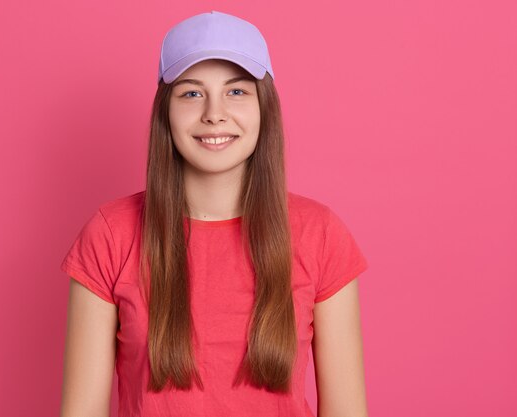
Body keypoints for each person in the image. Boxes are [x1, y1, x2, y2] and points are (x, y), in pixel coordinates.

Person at [59, 10, 369, 417]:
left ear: (264, 108)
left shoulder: (320, 234)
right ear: (165, 112)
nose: (214, 113)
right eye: (191, 93)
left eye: (236, 91)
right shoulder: (110, 235)